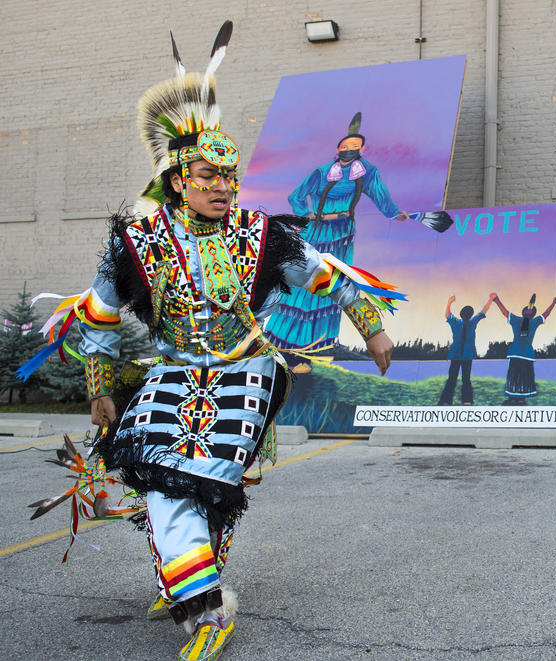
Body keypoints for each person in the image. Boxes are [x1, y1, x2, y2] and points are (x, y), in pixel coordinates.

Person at [18, 22, 402, 661]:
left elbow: (328, 274)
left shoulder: (261, 233)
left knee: (201, 474)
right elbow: (99, 317)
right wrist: (100, 390)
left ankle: (200, 607)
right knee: (167, 483)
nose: (224, 186)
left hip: (246, 369)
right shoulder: (138, 245)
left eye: (230, 175)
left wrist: (374, 325)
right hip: (172, 370)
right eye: (209, 176)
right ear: (177, 181)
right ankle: (195, 589)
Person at [268, 112, 409, 367]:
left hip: (341, 234)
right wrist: (304, 216)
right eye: (345, 146)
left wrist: (393, 213)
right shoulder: (322, 172)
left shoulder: (366, 172)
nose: (349, 150)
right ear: (338, 148)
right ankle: (282, 345)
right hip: (315, 231)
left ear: (362, 149)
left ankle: (317, 349)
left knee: (333, 285)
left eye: (355, 147)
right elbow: (296, 196)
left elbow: (380, 195)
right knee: (302, 283)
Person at [490, 293, 556, 404]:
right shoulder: (535, 321)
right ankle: (521, 399)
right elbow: (546, 314)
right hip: (527, 354)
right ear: (533, 314)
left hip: (515, 353)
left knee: (514, 376)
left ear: (523, 313)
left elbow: (505, 312)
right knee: (525, 377)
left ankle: (513, 397)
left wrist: (496, 300)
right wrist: (553, 303)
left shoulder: (516, 320)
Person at [437, 294, 491, 405]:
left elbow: (447, 315)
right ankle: (464, 400)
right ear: (470, 315)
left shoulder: (459, 322)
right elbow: (483, 312)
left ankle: (449, 401)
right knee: (464, 378)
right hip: (463, 355)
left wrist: (449, 302)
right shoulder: (469, 322)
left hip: (460, 355)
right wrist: (490, 299)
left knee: (455, 378)